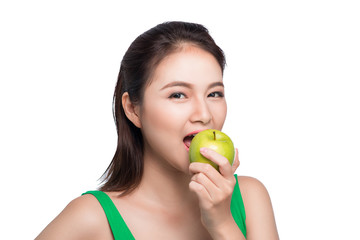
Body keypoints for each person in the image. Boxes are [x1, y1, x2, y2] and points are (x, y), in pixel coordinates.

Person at [36, 21, 279, 240]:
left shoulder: (250, 198)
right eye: (178, 95)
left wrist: (224, 224)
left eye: (214, 93)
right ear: (133, 109)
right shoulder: (92, 218)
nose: (204, 115)